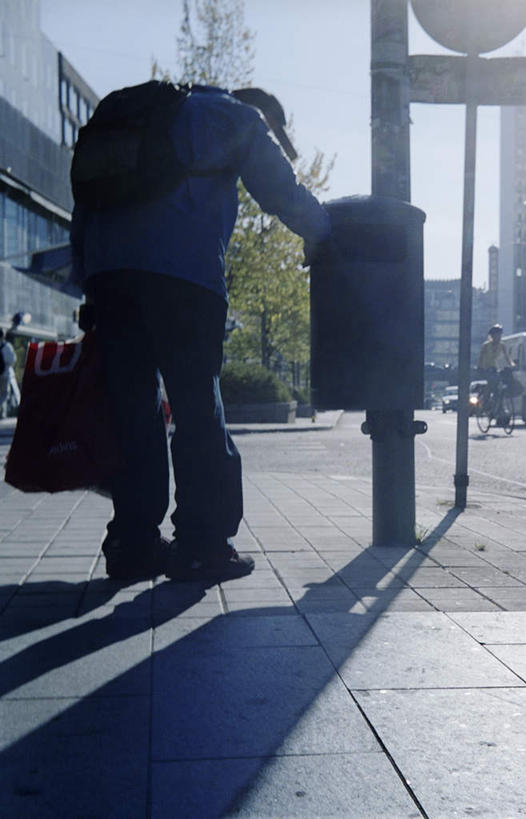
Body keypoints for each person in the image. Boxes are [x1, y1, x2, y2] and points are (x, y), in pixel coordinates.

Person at [70, 84, 331, 582]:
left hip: (110, 279)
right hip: (183, 281)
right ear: (267, 117)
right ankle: (202, 545)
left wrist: (88, 281)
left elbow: (85, 206)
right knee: (197, 411)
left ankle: (132, 544)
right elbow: (279, 189)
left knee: (132, 412)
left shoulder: (142, 117)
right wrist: (323, 233)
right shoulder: (233, 116)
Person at [478, 324, 514, 404]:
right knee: (491, 382)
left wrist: (512, 365)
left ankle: (498, 402)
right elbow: (481, 358)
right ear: (492, 336)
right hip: (485, 368)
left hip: (494, 367)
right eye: (497, 335)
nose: (499, 337)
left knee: (500, 382)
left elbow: (507, 357)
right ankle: (485, 400)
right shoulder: (486, 345)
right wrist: (480, 368)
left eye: (500, 335)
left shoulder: (502, 345)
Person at [0, 329, 16, 418]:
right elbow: (13, 359)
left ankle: (3, 413)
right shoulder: (7, 346)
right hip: (5, 373)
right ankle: (3, 414)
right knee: (5, 394)